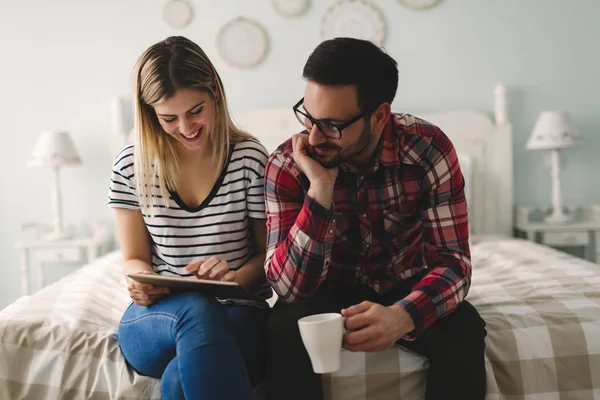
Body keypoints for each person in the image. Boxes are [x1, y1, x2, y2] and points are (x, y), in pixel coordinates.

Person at [263, 37, 487, 400]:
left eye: (333, 125)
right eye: (309, 117)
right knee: (282, 328)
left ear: (380, 115)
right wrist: (320, 189)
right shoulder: (288, 165)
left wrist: (403, 316)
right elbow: (289, 290)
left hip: (404, 282)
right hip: (324, 290)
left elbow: (454, 264)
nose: (315, 137)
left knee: (464, 326)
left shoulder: (427, 150)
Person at [107, 36, 271, 400]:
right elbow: (134, 257)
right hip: (158, 320)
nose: (186, 127)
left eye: (195, 110)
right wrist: (141, 280)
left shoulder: (250, 159)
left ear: (215, 91)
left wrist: (232, 277)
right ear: (150, 113)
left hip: (239, 311)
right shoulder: (130, 166)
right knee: (195, 309)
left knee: (181, 380)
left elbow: (268, 256)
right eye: (169, 118)